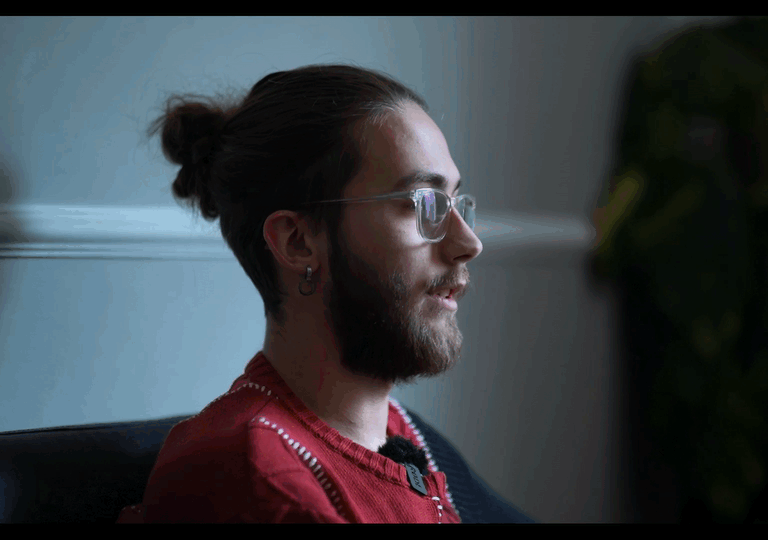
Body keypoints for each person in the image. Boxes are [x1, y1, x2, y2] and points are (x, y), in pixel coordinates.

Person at [116, 64, 527, 523]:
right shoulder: (253, 474)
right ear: (297, 241)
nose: (469, 243)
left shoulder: (409, 438)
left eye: (455, 203)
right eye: (422, 204)